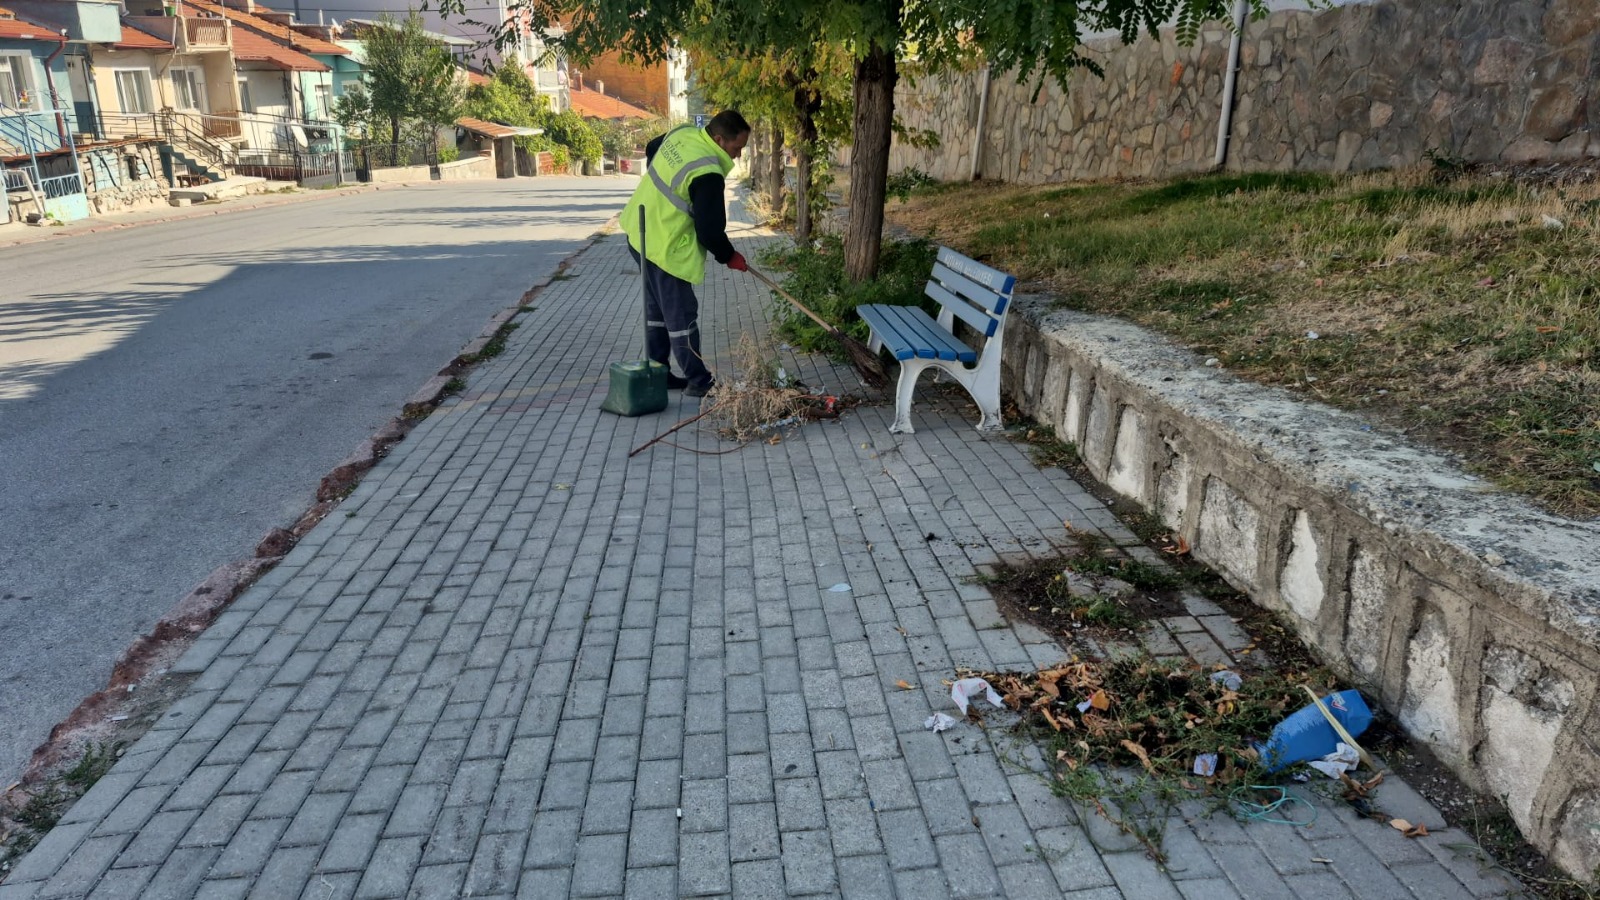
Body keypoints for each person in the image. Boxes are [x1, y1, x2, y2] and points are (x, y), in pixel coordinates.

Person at [619, 110, 752, 398]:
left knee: (657, 311)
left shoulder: (683, 133)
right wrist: (729, 256)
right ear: (718, 139)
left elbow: (653, 147)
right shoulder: (707, 174)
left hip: (639, 231)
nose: (739, 155)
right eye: (736, 148)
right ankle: (699, 381)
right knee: (681, 315)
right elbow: (710, 230)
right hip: (666, 247)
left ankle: (658, 371)